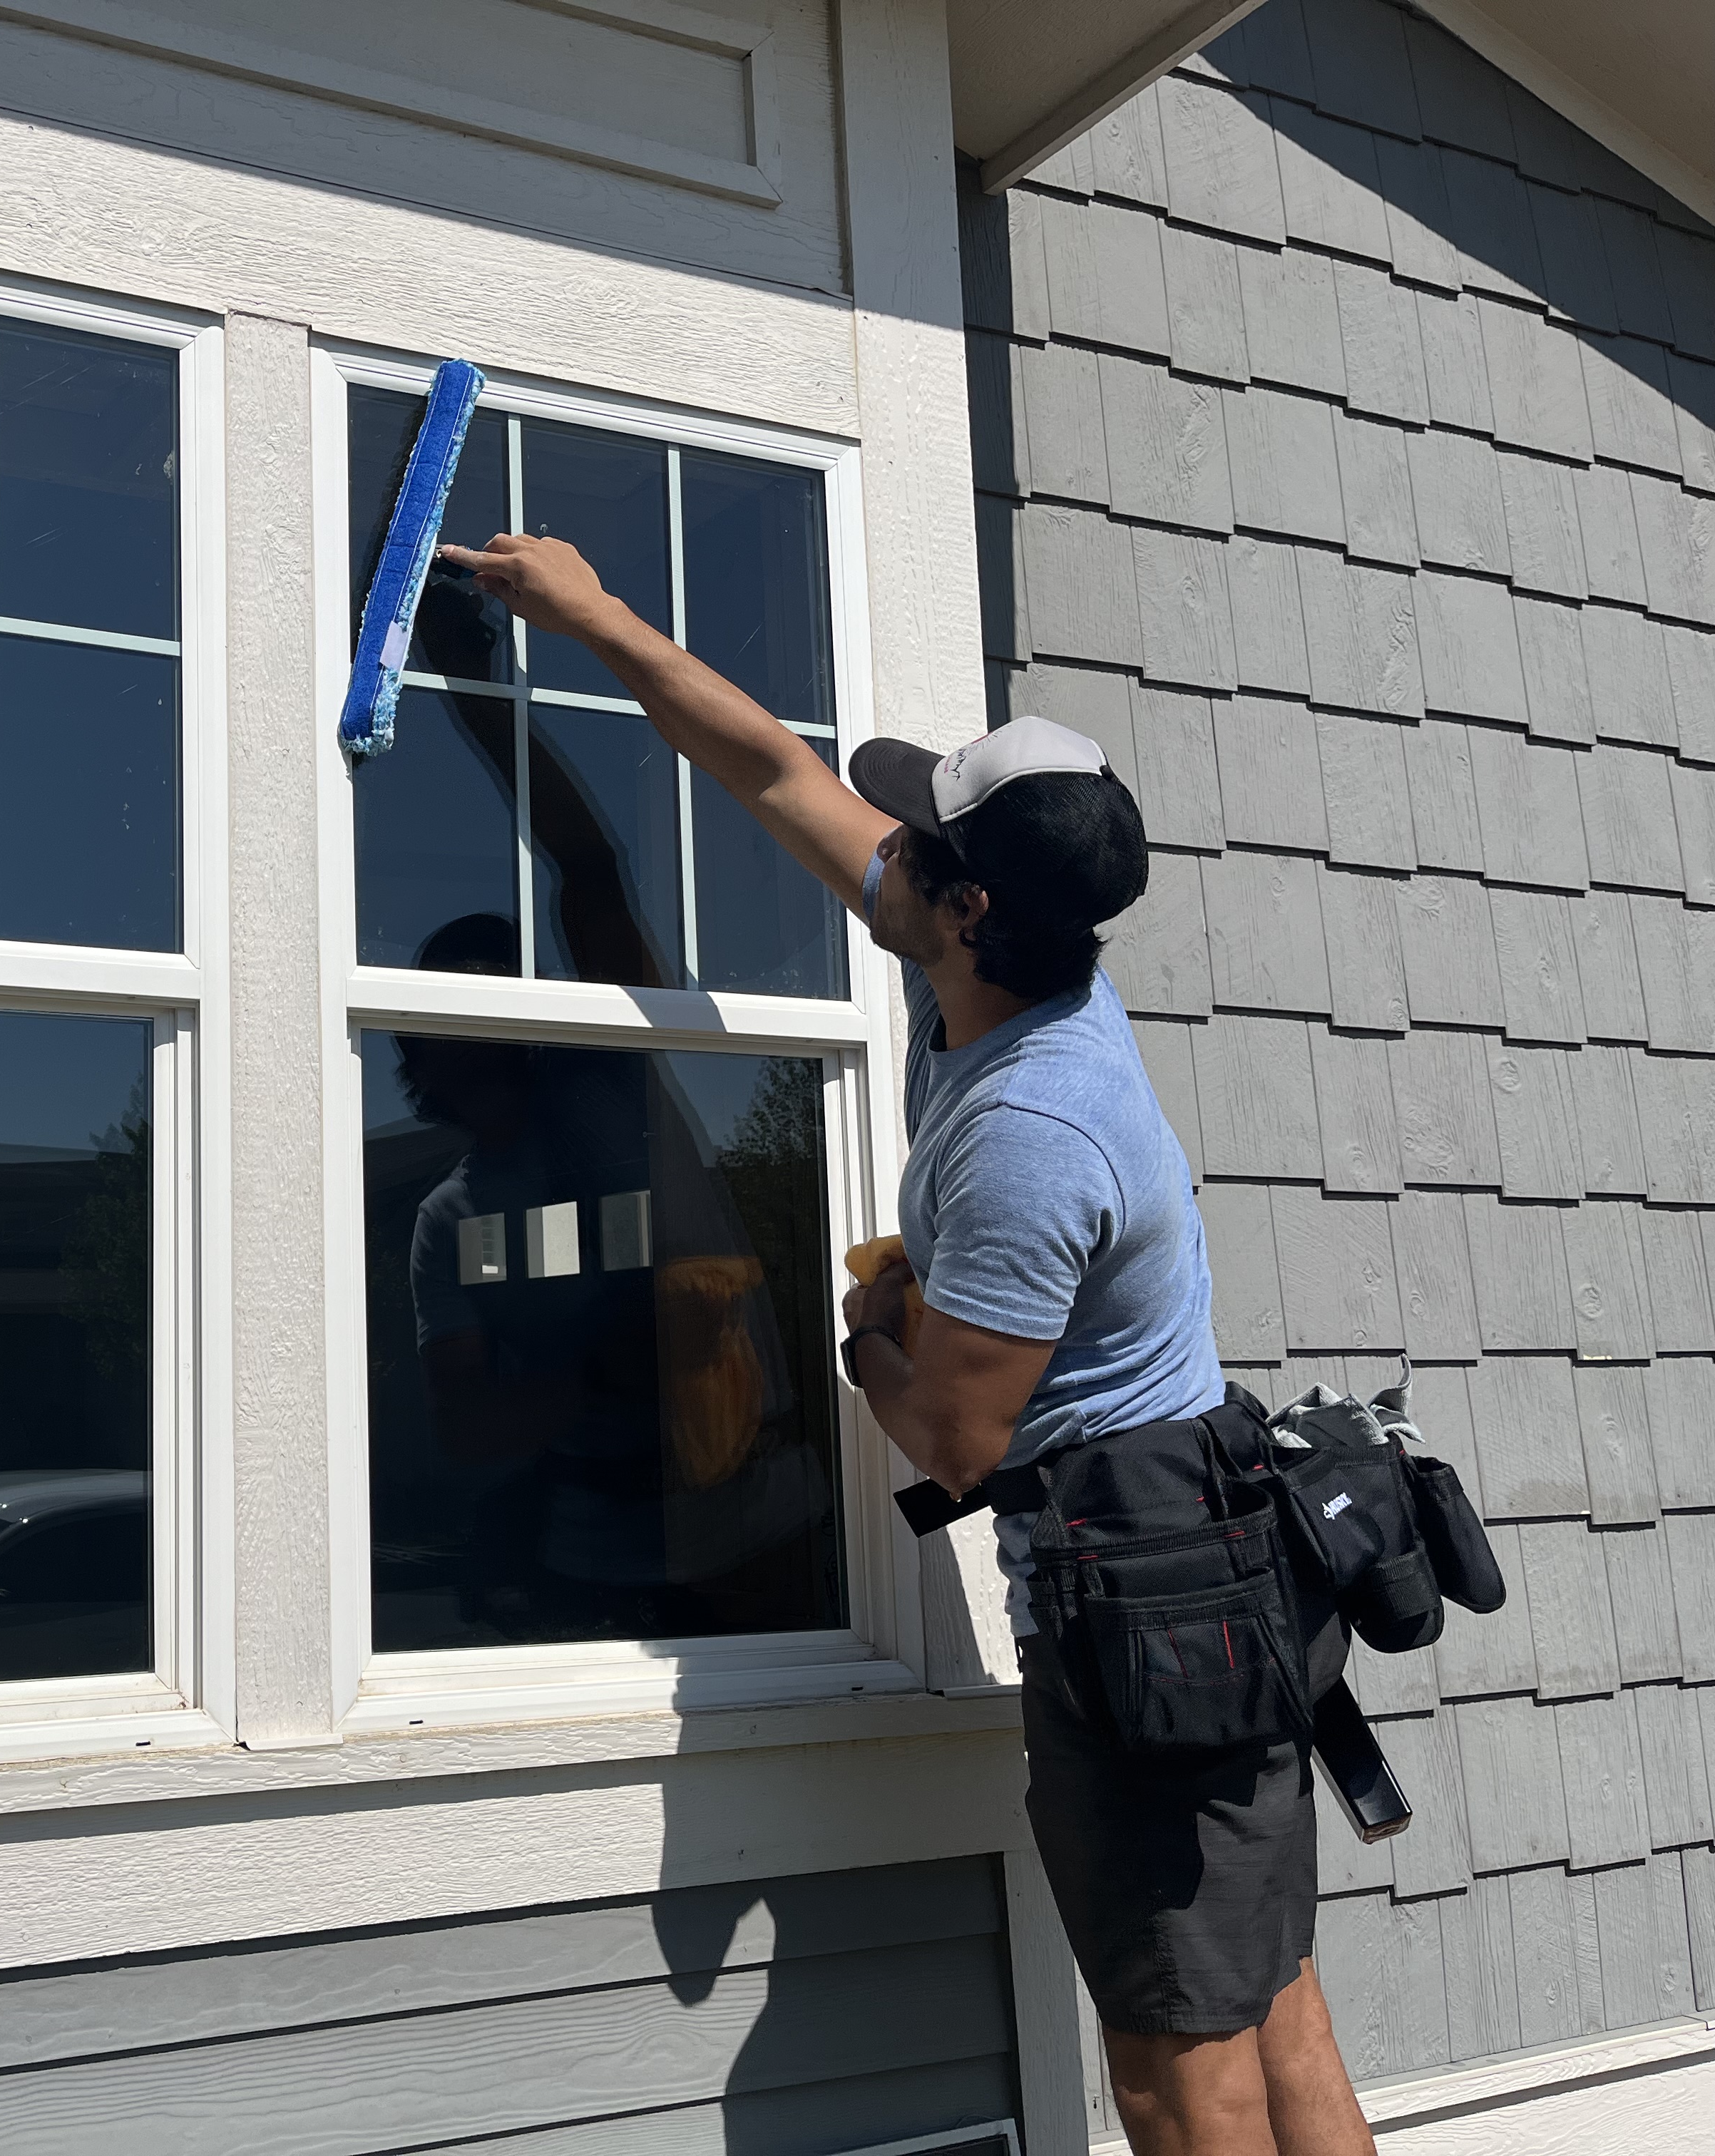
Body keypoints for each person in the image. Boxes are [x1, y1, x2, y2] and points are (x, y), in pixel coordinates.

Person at [436, 531, 1377, 2156]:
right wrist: (589, 619)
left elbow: (953, 1438)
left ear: (968, 902)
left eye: (918, 840)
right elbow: (768, 770)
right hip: (1206, 1565)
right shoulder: (1005, 962)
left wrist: (868, 1321)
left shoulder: (1032, 1132)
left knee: (1176, 2054)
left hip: (1151, 1588)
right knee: (1265, 1991)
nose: (885, 844)